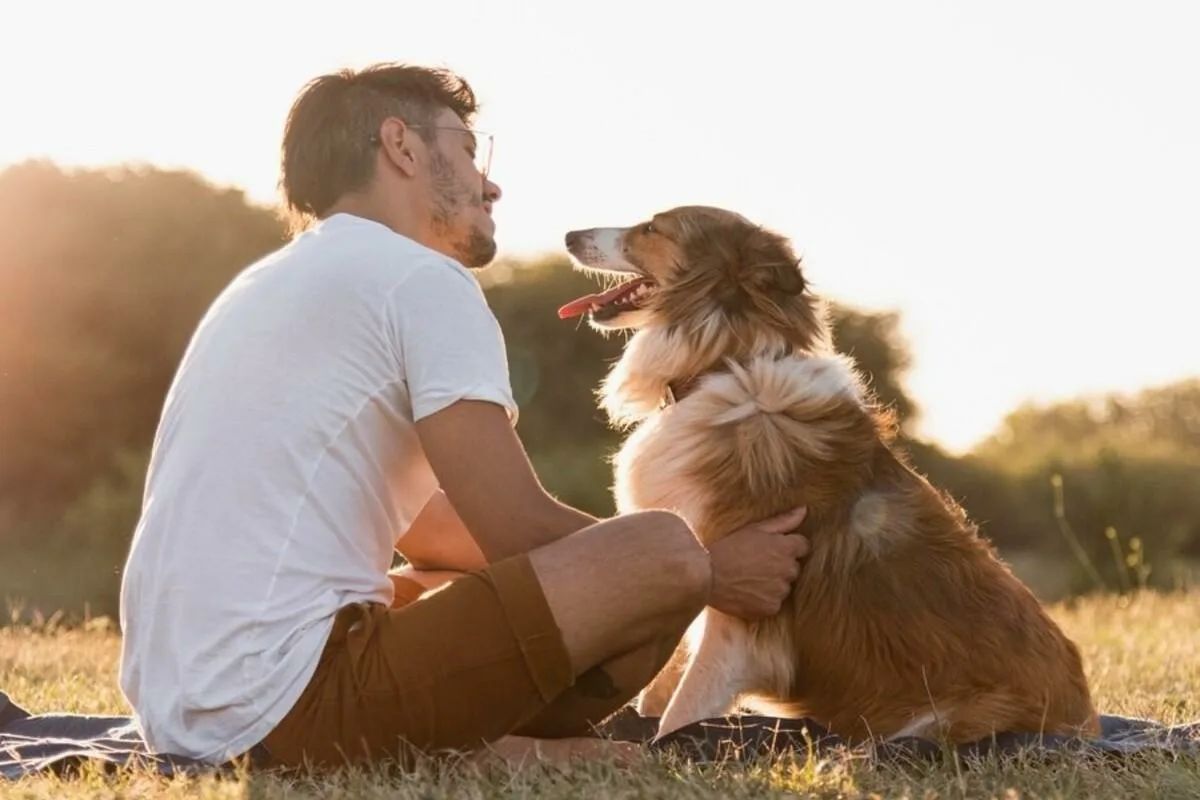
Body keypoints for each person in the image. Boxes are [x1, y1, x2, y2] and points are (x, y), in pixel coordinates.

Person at [116, 61, 812, 772]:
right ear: (402, 147)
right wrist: (706, 571)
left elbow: (430, 529)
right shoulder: (421, 280)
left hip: (184, 711)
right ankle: (480, 755)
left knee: (449, 579)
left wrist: (611, 571)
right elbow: (515, 527)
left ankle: (450, 744)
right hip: (286, 710)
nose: (490, 185)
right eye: (470, 151)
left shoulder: (267, 283)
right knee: (660, 547)